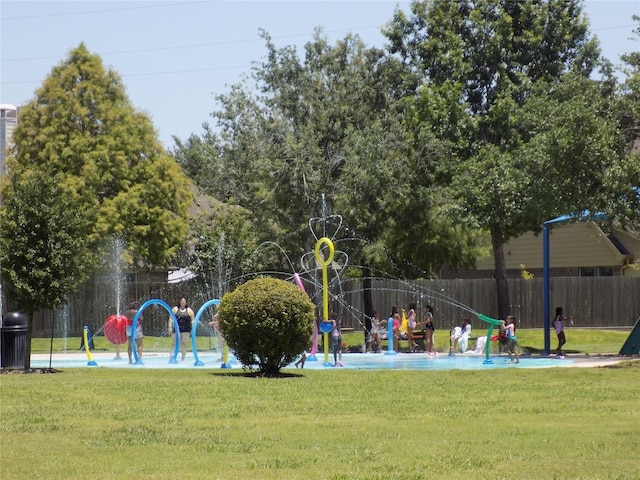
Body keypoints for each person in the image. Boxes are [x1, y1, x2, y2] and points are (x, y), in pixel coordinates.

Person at [170, 297, 195, 361]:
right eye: (182, 301)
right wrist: (169, 327)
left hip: (186, 330)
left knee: (184, 343)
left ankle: (183, 358)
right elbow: (170, 318)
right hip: (176, 330)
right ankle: (172, 357)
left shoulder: (189, 310)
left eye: (184, 301)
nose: (183, 302)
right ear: (179, 302)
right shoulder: (175, 309)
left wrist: (193, 328)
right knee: (174, 343)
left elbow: (192, 320)